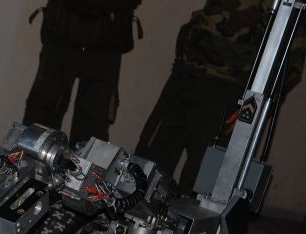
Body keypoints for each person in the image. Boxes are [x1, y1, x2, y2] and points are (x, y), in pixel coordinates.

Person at [134, 0, 306, 195]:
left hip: (227, 97)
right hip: (185, 79)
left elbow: (290, 62)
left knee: (200, 186)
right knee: (144, 170)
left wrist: (254, 108)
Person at [23, 0, 142, 147]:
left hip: (106, 38)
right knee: (43, 114)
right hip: (65, 31)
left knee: (93, 123)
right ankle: (28, 157)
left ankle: (75, 162)